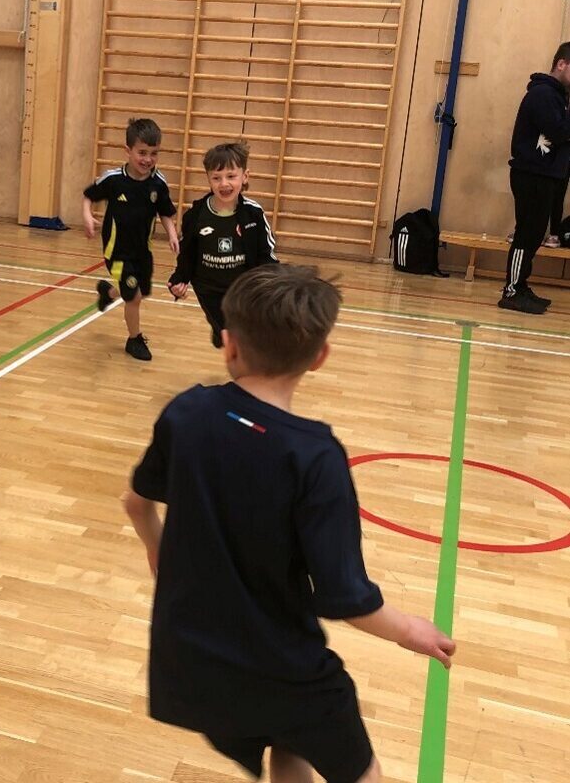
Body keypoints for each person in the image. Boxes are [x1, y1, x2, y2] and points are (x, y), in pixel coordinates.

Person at [123, 264, 455, 783]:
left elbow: (136, 503)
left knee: (286, 738)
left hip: (190, 660)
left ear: (228, 344)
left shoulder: (185, 413)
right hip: (278, 666)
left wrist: (156, 549)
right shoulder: (315, 456)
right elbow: (346, 599)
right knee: (360, 771)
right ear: (319, 357)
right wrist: (409, 630)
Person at [83, 117, 179, 361]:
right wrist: (87, 216)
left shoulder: (158, 183)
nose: (148, 159)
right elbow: (88, 196)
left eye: (154, 153)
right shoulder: (114, 180)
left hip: (142, 251)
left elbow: (166, 212)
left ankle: (109, 293)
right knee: (134, 297)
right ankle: (134, 339)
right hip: (116, 251)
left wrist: (171, 234)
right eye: (142, 152)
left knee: (139, 292)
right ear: (128, 151)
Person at [167, 141, 277, 348]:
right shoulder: (195, 215)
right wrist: (179, 280)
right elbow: (187, 253)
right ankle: (221, 333)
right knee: (228, 337)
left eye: (231, 176)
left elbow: (266, 252)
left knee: (243, 337)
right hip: (208, 290)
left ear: (245, 176)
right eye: (216, 178)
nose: (224, 184)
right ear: (208, 179)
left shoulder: (253, 213)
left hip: (242, 290)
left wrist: (272, 281)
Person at [499, 42, 570, 314]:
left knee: (534, 234)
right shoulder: (543, 94)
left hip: (546, 175)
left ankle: (521, 284)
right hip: (532, 175)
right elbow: (559, 132)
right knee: (527, 234)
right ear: (561, 64)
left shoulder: (559, 98)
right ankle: (512, 290)